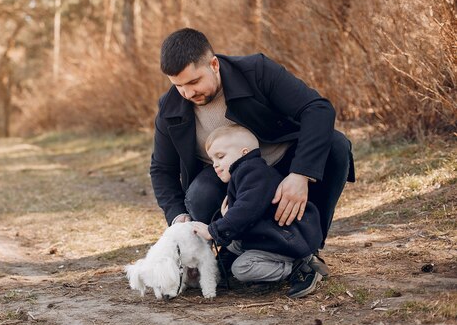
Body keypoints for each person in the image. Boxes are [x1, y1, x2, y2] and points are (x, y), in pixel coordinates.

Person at [150, 28, 355, 274]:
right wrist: (178, 216)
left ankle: (308, 249)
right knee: (198, 195)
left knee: (336, 147)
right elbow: (161, 169)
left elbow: (318, 109)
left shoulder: (255, 71)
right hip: (226, 179)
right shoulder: (170, 107)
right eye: (179, 85)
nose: (188, 93)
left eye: (194, 82)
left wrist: (301, 174)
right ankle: (234, 248)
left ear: (214, 64)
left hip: (282, 164)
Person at [191, 125, 323, 298]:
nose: (215, 165)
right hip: (269, 234)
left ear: (244, 152)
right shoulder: (244, 174)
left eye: (220, 157)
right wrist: (227, 218)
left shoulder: (254, 172)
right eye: (212, 160)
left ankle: (299, 268)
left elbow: (247, 209)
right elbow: (248, 212)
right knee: (233, 241)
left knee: (242, 268)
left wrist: (213, 231)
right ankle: (224, 265)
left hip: (286, 239)